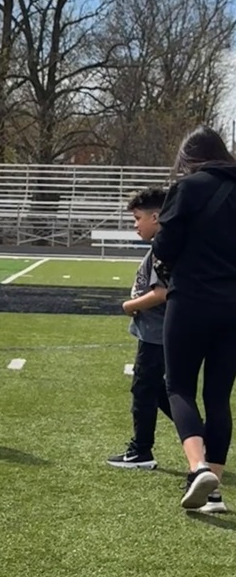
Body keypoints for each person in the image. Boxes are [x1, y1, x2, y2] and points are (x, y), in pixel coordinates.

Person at [152, 124, 236, 512]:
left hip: (191, 298)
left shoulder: (187, 188)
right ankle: (213, 492)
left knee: (179, 386)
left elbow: (165, 248)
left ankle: (198, 466)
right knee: (218, 395)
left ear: (190, 158)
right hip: (233, 303)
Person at [107, 187, 170, 470]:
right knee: (158, 388)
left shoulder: (163, 247)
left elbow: (162, 293)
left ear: (155, 217)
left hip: (157, 331)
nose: (135, 225)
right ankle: (198, 433)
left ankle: (141, 450)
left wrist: (129, 305)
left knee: (144, 388)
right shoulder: (163, 244)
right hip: (157, 329)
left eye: (137, 218)